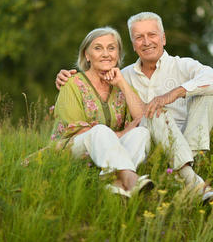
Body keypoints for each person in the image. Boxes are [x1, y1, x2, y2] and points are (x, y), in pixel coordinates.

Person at [56, 12, 213, 202]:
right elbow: (139, 115)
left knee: (211, 93)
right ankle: (187, 178)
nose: (146, 42)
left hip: (187, 142)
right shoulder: (123, 76)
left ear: (163, 38)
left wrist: (174, 93)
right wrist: (66, 81)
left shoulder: (183, 65)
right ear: (133, 45)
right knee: (152, 113)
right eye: (139, 37)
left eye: (152, 35)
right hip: (149, 145)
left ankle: (184, 169)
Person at [48, 26, 153, 198]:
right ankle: (130, 178)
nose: (106, 54)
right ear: (87, 56)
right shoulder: (72, 83)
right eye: (98, 48)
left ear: (118, 55)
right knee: (100, 131)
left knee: (142, 133)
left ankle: (115, 183)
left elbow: (143, 119)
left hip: (106, 153)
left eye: (111, 48)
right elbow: (79, 130)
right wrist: (121, 133)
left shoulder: (121, 86)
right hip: (71, 149)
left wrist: (123, 85)